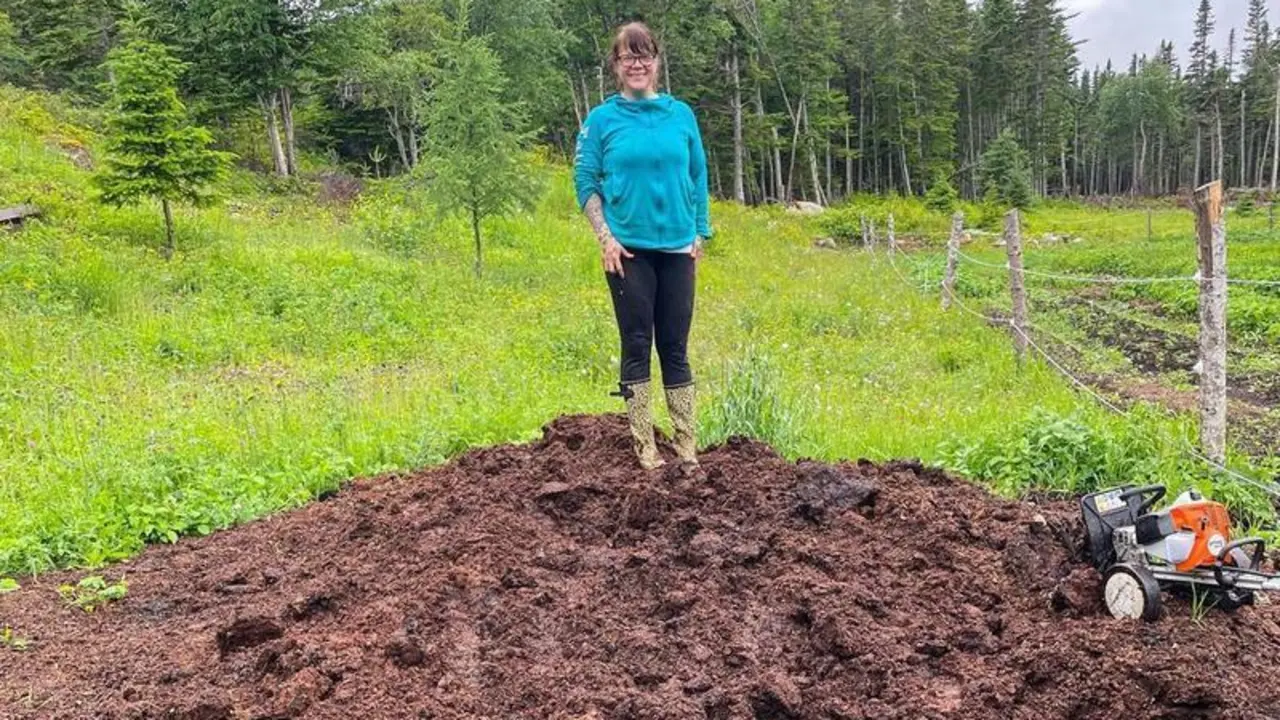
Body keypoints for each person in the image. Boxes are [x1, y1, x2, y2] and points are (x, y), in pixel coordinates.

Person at [573, 21, 712, 470]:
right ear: (616, 65)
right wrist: (605, 237)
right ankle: (644, 448)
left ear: (656, 61)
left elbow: (698, 175)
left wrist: (699, 230)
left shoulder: (681, 115)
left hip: (676, 249)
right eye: (627, 56)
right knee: (637, 342)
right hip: (627, 250)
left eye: (645, 55)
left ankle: (686, 445)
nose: (637, 63)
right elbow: (584, 180)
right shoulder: (601, 121)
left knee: (675, 346)